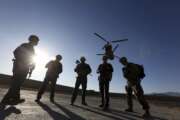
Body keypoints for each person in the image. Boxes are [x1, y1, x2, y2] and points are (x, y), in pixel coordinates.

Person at [1, 35, 39, 105]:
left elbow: (32, 59)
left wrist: (31, 68)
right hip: (20, 67)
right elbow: (15, 52)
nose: (38, 42)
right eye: (37, 40)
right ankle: (5, 100)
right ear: (33, 40)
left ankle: (16, 98)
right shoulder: (25, 45)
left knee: (17, 84)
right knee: (16, 84)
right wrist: (21, 62)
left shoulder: (32, 48)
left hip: (24, 67)